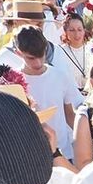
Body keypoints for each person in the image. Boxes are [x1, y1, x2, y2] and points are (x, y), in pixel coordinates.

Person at [13, 25, 83, 163]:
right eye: (31, 58)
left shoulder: (60, 76)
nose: (38, 63)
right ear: (18, 53)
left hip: (63, 153)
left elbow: (69, 114)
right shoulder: (13, 82)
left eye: (41, 56)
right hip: (32, 156)